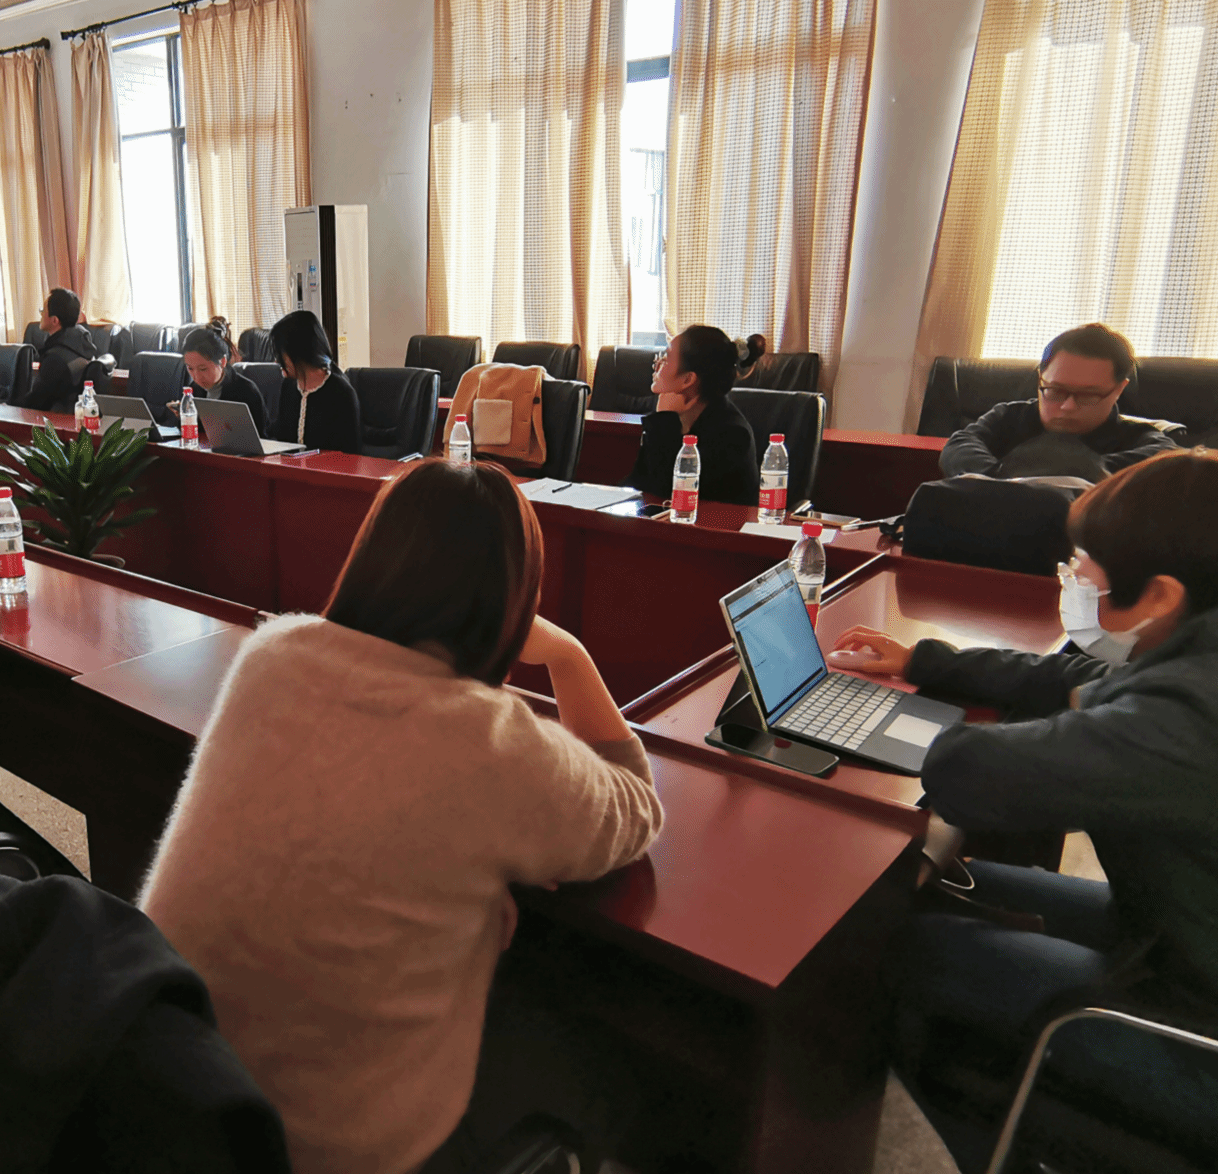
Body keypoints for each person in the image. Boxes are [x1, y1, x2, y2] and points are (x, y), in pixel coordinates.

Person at [140, 458, 664, 1174]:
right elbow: (635, 804)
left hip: (167, 1086)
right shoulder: (489, 740)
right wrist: (567, 655)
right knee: (613, 1079)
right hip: (328, 1151)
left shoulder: (272, 653)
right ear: (513, 602)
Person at [832, 450, 1218, 1171]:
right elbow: (1082, 677)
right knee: (926, 887)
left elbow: (970, 776)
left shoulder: (1197, 719)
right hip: (1206, 944)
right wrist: (924, 660)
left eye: (1085, 573)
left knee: (893, 948)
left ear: (1161, 594)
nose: (1073, 583)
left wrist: (882, 723)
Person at [940, 323, 1181, 481]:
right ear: (1040, 378)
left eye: (1088, 396)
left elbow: (1168, 458)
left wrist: (1083, 470)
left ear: (1119, 390)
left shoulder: (1137, 438)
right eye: (1055, 391)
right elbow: (960, 445)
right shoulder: (1009, 417)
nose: (1068, 406)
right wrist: (1002, 476)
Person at [624, 326, 763, 505]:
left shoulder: (732, 435)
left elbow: (668, 491)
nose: (656, 365)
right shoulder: (675, 415)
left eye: (666, 359)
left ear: (688, 379)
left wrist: (665, 419)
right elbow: (639, 481)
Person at [269, 309, 362, 454]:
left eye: (280, 353)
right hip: (290, 468)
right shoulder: (288, 387)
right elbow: (282, 438)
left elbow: (350, 455)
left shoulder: (341, 393)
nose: (277, 361)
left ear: (298, 352)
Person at [181, 315, 269, 437]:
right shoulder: (194, 390)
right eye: (190, 368)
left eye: (203, 369)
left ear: (222, 362)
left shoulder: (247, 391)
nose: (196, 377)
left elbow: (261, 438)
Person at [17, 287, 99, 412]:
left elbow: (36, 402)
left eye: (43, 311)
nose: (41, 314)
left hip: (55, 420)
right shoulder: (81, 341)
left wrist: (8, 405)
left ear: (55, 320)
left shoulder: (55, 359)